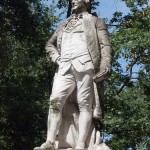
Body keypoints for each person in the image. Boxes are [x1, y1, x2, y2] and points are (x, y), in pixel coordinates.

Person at [34, 0, 112, 149]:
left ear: (87, 2)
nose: (73, 1)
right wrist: (56, 58)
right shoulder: (64, 23)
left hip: (86, 65)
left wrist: (105, 64)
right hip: (64, 67)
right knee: (55, 100)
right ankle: (50, 141)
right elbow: (49, 44)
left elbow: (105, 45)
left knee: (85, 105)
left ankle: (81, 144)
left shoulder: (96, 21)